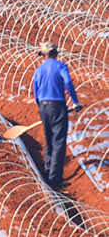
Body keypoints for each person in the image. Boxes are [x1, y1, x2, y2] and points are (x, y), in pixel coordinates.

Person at [32, 41, 83, 190]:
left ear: (43, 55)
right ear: (56, 53)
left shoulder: (39, 70)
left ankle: (48, 171)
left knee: (49, 140)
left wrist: (41, 106)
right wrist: (75, 101)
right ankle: (54, 179)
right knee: (59, 142)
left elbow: (35, 91)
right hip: (58, 106)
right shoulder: (61, 66)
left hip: (43, 106)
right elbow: (68, 82)